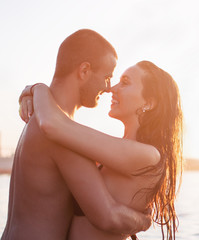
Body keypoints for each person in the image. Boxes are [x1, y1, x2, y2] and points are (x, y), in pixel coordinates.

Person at [1, 29, 151, 240]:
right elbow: (107, 217)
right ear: (84, 71)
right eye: (107, 77)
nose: (108, 88)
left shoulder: (39, 120)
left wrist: (34, 89)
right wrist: (144, 221)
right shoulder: (60, 134)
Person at [18, 60, 183, 239]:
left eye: (125, 83)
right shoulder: (114, 153)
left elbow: (52, 125)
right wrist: (30, 94)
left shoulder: (148, 156)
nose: (112, 89)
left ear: (149, 103)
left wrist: (36, 89)